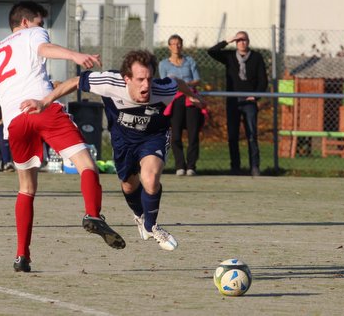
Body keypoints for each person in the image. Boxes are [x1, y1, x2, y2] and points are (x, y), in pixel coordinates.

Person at [0, 1, 125, 273]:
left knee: (26, 189)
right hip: (42, 108)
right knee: (86, 165)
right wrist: (75, 56)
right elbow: (44, 49)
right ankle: (92, 213)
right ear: (24, 22)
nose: (42, 28)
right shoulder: (32, 33)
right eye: (40, 22)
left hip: (15, 123)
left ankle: (22, 256)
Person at [21, 49, 206, 251]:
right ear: (126, 79)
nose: (146, 85)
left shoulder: (161, 89)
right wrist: (43, 102)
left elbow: (176, 81)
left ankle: (152, 226)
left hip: (154, 136)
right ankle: (140, 215)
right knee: (128, 185)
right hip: (123, 140)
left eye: (150, 79)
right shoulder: (109, 82)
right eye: (140, 79)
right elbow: (75, 81)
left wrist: (192, 96)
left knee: (151, 179)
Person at [207, 31, 268, 176]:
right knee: (232, 136)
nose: (242, 43)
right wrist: (228, 40)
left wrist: (255, 96)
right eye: (239, 40)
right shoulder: (229, 56)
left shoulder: (256, 57)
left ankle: (254, 167)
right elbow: (212, 51)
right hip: (233, 101)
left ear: (248, 41)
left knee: (252, 135)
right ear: (235, 42)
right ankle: (235, 167)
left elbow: (263, 80)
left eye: (244, 40)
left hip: (249, 102)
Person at [159, 34, 206, 176]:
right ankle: (180, 165)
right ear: (169, 47)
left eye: (178, 43)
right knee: (176, 134)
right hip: (175, 100)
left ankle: (191, 166)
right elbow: (164, 82)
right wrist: (179, 86)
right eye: (173, 44)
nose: (176, 46)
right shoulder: (163, 64)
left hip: (191, 99)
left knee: (193, 133)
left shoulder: (190, 61)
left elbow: (197, 80)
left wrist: (183, 85)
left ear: (182, 45)